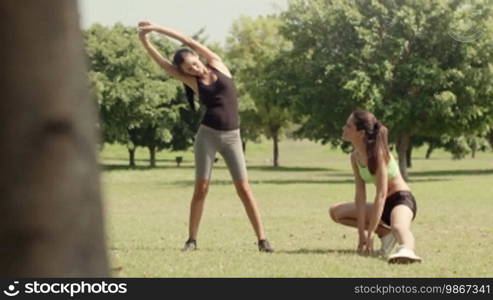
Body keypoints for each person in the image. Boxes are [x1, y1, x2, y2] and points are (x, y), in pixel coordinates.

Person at [137, 21, 273, 252]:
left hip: (232, 138)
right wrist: (144, 40)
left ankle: (262, 240)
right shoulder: (194, 82)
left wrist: (157, 28)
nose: (195, 69)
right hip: (207, 136)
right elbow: (165, 66)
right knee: (201, 189)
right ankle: (191, 240)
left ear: (197, 58)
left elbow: (187, 41)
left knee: (244, 189)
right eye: (189, 70)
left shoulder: (218, 64)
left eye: (194, 64)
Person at [329, 109, 421, 263]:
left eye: (348, 126)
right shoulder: (355, 157)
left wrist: (370, 233)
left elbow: (381, 194)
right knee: (336, 212)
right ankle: (386, 234)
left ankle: (407, 251)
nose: (343, 129)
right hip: (382, 206)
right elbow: (360, 195)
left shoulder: (379, 154)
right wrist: (361, 234)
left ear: (361, 133)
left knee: (399, 227)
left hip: (401, 200)